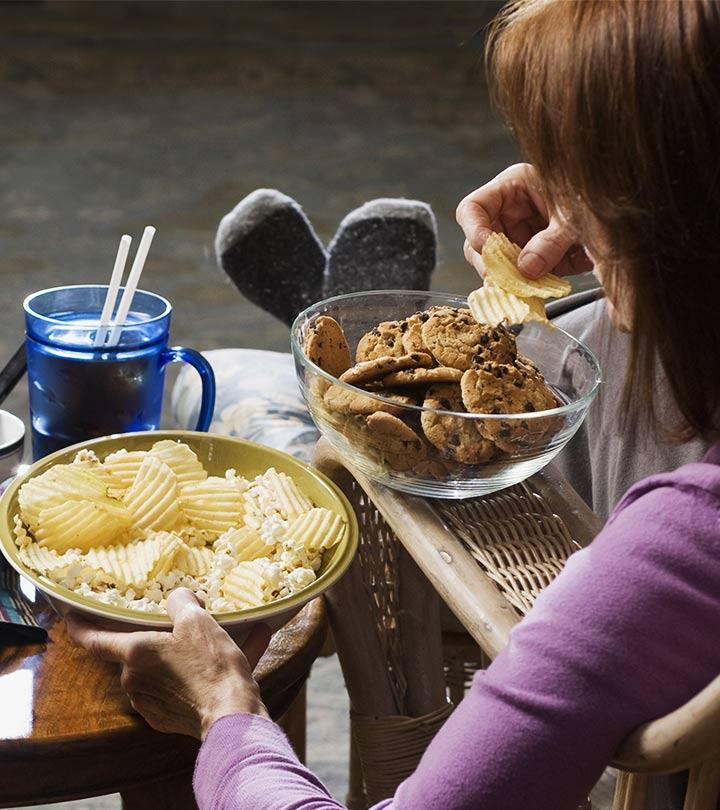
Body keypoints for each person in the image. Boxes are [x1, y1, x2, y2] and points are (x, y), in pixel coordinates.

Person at [67, 1, 720, 808]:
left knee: (256, 388)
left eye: (578, 173)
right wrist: (595, 204)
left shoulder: (682, 549)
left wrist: (224, 711)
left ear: (665, 220)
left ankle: (305, 368)